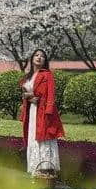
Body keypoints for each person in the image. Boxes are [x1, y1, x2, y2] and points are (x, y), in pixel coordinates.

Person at [19, 49, 65, 180]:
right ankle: (35, 170)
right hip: (31, 112)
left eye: (42, 56)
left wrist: (48, 110)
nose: (39, 58)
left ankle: (45, 172)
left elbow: (50, 95)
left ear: (45, 61)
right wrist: (28, 97)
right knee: (33, 138)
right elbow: (27, 94)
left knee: (44, 138)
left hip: (43, 111)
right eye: (36, 55)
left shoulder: (47, 75)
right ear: (32, 58)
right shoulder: (28, 76)